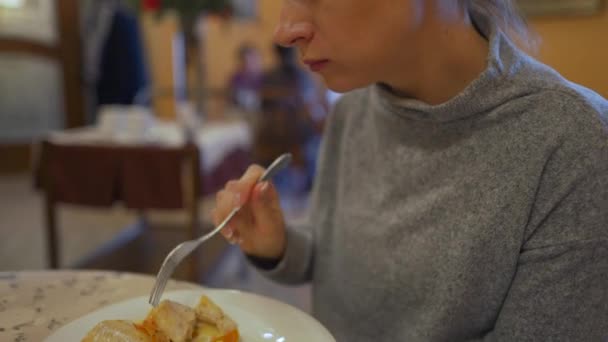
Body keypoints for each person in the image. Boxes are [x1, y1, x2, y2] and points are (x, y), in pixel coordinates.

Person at [211, 0, 608, 340]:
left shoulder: (572, 142)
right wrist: (277, 246)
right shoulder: (352, 110)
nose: (283, 31)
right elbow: (335, 264)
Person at [228, 43, 264, 113]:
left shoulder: (264, 78)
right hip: (240, 114)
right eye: (247, 61)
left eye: (255, 60)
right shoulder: (236, 79)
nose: (252, 64)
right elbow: (231, 100)